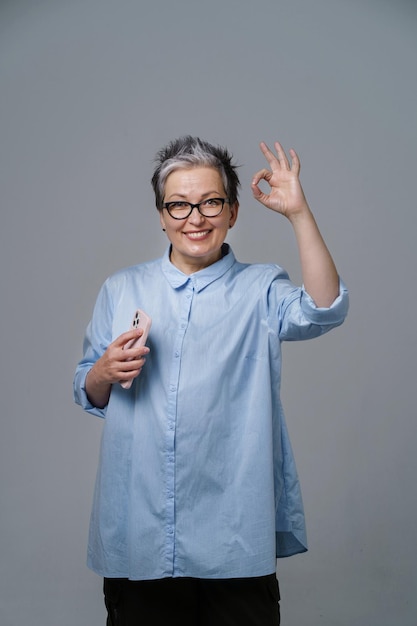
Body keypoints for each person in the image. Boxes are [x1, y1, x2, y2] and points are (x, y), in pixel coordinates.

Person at [73, 136, 349, 625]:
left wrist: (299, 214)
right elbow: (89, 390)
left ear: (233, 212)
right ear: (161, 215)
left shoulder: (262, 287)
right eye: (178, 205)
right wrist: (100, 373)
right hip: (142, 533)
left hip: (233, 535)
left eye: (210, 202)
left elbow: (324, 310)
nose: (194, 218)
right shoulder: (121, 289)